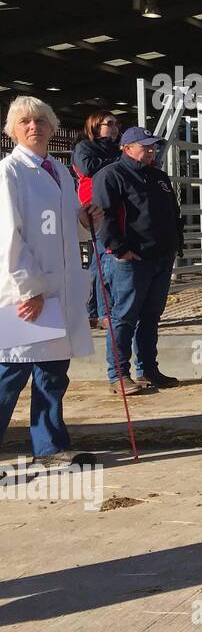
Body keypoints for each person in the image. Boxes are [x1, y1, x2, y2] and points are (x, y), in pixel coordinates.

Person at [0, 96, 96, 468]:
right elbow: (9, 236)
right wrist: (30, 289)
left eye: (41, 120)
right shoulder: (9, 172)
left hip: (60, 289)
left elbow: (69, 228)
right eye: (24, 121)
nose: (33, 126)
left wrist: (88, 220)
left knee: (53, 373)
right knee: (11, 373)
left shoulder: (58, 170)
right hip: (29, 292)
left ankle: (51, 446)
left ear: (53, 128)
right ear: (11, 130)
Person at [92, 126, 183, 395]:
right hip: (131, 259)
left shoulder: (159, 177)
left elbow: (172, 213)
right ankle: (118, 375)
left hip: (161, 257)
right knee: (124, 317)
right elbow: (103, 216)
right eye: (145, 146)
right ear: (127, 148)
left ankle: (148, 370)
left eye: (153, 146)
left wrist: (175, 244)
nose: (151, 150)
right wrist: (120, 249)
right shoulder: (112, 175)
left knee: (151, 316)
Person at [72, 109, 120, 327]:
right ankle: (103, 314)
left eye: (116, 124)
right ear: (95, 126)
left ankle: (89, 311)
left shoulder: (114, 150)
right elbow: (89, 168)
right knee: (105, 261)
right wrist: (119, 160)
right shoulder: (84, 148)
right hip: (95, 209)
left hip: (111, 207)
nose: (114, 127)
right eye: (109, 123)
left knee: (97, 262)